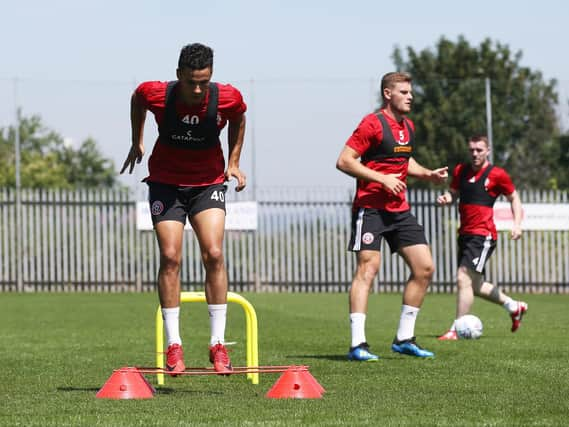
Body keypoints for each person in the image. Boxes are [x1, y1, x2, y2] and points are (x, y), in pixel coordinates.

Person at [120, 43, 247, 374]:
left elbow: (239, 117)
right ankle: (174, 345)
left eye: (203, 82)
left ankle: (218, 345)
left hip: (207, 183)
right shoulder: (158, 94)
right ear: (178, 75)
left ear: (211, 77)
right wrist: (137, 140)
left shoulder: (228, 97)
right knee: (171, 257)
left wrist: (233, 162)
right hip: (166, 183)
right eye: (191, 81)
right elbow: (137, 98)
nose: (197, 89)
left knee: (214, 254)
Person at [336, 72, 448, 360]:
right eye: (403, 92)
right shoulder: (372, 123)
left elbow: (402, 158)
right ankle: (357, 345)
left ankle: (404, 338)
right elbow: (344, 161)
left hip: (399, 210)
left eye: (411, 91)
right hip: (370, 208)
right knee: (368, 269)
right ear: (388, 94)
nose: (410, 96)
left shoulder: (407, 126)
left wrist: (427, 173)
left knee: (425, 268)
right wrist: (382, 179)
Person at [436, 135, 527, 340]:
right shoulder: (461, 170)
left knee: (462, 277)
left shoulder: (497, 174)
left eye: (479, 150)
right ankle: (514, 306)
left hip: (483, 235)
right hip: (465, 234)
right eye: (472, 150)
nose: (475, 154)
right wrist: (446, 198)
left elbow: (514, 197)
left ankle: (455, 330)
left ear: (488, 151)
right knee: (474, 286)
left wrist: (517, 224)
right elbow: (453, 193)